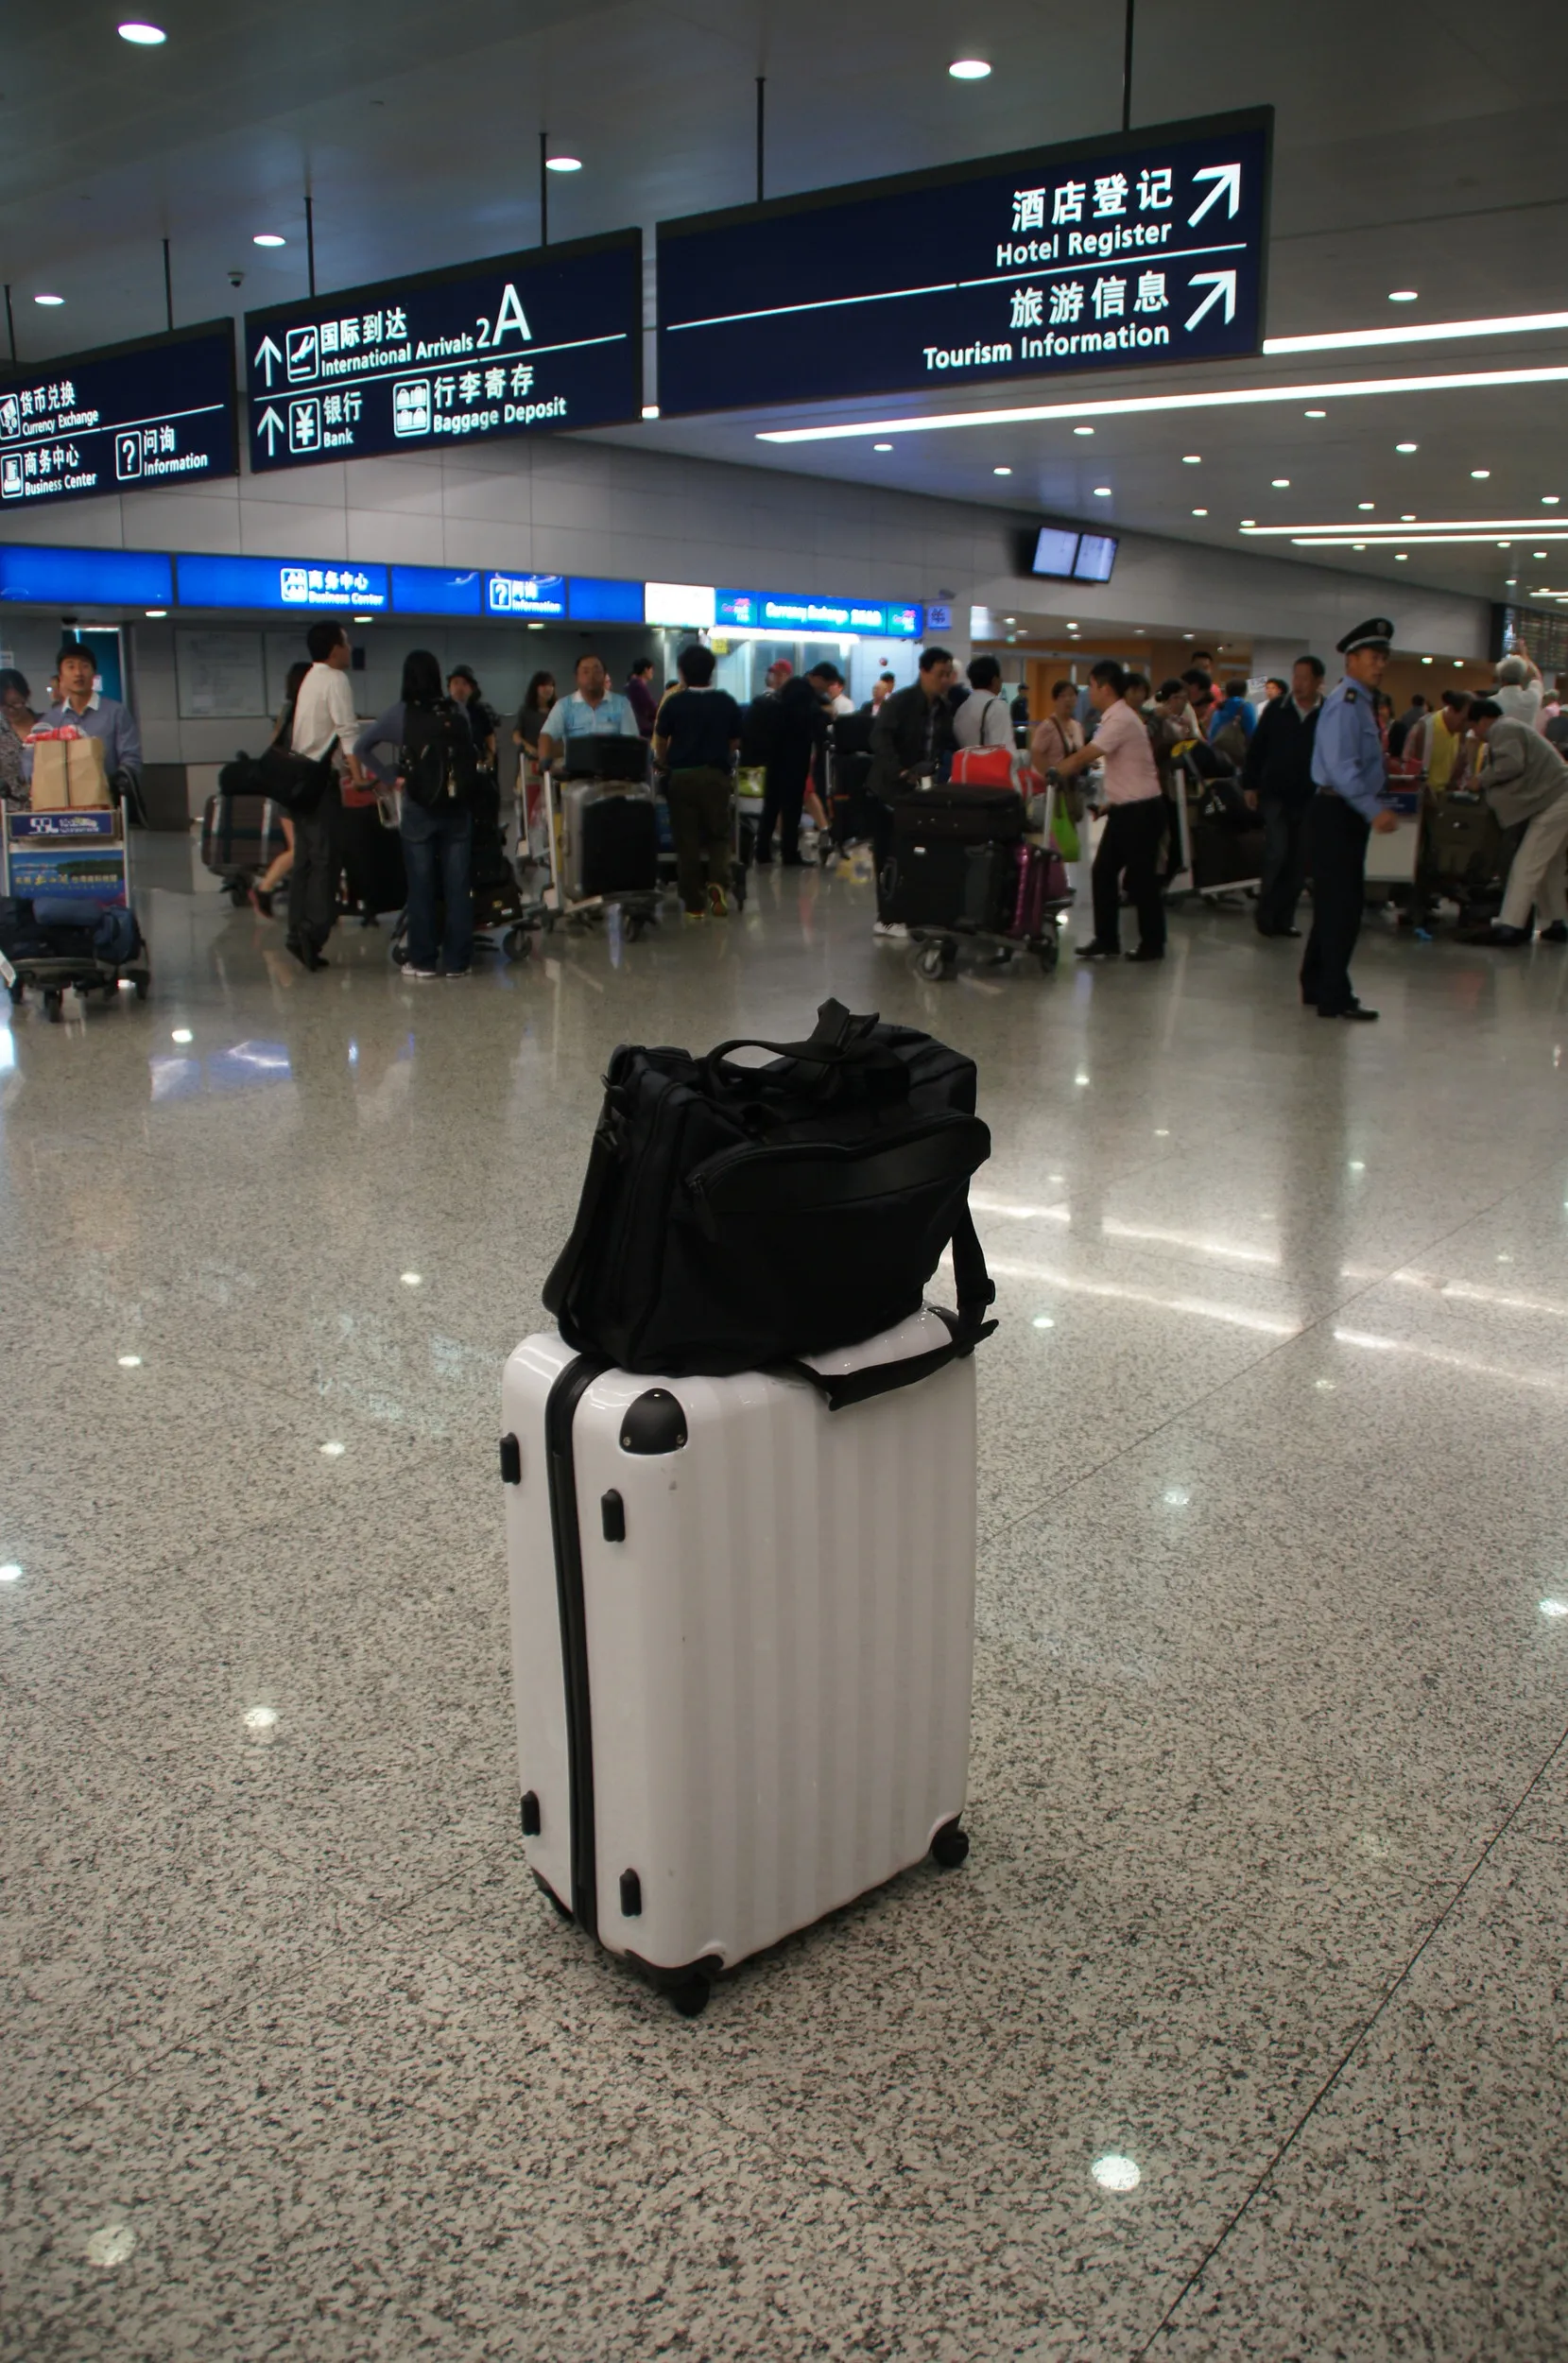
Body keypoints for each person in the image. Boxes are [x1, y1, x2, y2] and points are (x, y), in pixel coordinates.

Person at [1300, 618, 1402, 1022]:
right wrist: (1375, 811)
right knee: (1342, 908)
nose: (1380, 666)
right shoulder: (1347, 705)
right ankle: (1334, 996)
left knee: (1332, 905)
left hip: (1341, 812)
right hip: (1337, 812)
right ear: (1351, 660)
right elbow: (1343, 770)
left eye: (1384, 659)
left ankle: (1315, 981)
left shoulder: (1361, 702)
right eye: (1373, 658)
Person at [355, 649, 475, 978]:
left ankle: (423, 960)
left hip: (419, 806)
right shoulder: (458, 710)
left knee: (421, 886)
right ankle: (458, 962)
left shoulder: (401, 714)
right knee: (458, 886)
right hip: (457, 807)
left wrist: (391, 776)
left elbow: (361, 747)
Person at [1050, 660, 1167, 963]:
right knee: (1103, 873)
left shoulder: (1121, 720)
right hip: (1126, 809)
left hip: (1140, 812)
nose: (1089, 693)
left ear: (1104, 687)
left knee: (1141, 880)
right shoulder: (1117, 717)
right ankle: (1107, 940)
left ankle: (1153, 944)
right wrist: (1108, 804)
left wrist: (1056, 771)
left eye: (1091, 686)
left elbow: (1088, 754)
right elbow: (1126, 769)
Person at [286, 619, 364, 973]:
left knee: (304, 859)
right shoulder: (335, 678)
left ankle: (296, 929)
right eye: (346, 643)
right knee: (325, 860)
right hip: (319, 785)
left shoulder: (309, 678)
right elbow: (347, 733)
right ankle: (313, 932)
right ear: (334, 649)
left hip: (297, 780)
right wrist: (358, 777)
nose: (349, 649)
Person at [1457, 701, 1568, 946]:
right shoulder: (1512, 728)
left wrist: (1480, 780)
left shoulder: (1502, 729)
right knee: (1550, 868)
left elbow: (1511, 764)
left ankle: (1510, 925)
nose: (1475, 733)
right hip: (1560, 796)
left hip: (1557, 800)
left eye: (1474, 727)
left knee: (1525, 865)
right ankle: (1556, 923)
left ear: (1484, 720)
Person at [867, 646, 956, 939]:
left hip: (918, 792)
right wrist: (900, 772)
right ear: (924, 671)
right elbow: (880, 740)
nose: (945, 680)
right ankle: (887, 917)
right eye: (940, 674)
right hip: (888, 790)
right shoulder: (901, 702)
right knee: (888, 855)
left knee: (912, 854)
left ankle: (910, 912)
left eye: (948, 675)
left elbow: (942, 745)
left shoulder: (943, 709)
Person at [651, 643, 741, 922]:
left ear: (683, 673)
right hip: (716, 775)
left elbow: (661, 740)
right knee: (718, 836)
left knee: (686, 840)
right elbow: (735, 740)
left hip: (682, 777)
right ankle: (717, 883)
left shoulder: (675, 702)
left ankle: (693, 903)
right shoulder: (726, 702)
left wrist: (664, 762)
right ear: (712, 672)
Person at [1244, 655, 1324, 939]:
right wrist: (1250, 785)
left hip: (1309, 797)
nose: (1298, 684)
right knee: (1277, 852)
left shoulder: (1326, 712)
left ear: (1318, 682)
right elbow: (1258, 747)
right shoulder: (1278, 708)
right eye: (1296, 677)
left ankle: (1285, 918)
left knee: (1298, 859)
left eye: (1305, 678)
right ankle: (1266, 915)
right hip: (1275, 793)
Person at [33, 641, 143, 813]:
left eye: (85, 667)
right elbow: (33, 759)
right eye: (71, 667)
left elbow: (131, 756)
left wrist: (120, 781)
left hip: (107, 805)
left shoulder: (116, 712)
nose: (78, 673)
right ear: (60, 677)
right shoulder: (51, 720)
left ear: (94, 675)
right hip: (60, 809)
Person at [250, 659, 311, 916]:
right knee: (300, 848)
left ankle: (272, 890)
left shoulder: (287, 711)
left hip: (285, 786)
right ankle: (264, 888)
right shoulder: (304, 711)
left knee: (302, 847)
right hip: (297, 788)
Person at [756, 662, 835, 867]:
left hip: (777, 756)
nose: (825, 690)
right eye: (825, 685)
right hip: (792, 758)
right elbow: (809, 719)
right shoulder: (801, 691)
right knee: (791, 807)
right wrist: (826, 716)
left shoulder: (794, 688)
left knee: (772, 805)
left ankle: (763, 851)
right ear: (818, 678)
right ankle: (789, 853)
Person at [538, 652, 639, 771]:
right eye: (585, 672)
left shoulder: (621, 704)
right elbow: (546, 735)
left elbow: (631, 741)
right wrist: (544, 759)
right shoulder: (564, 706)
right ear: (576, 677)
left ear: (605, 675)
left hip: (614, 774)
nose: (591, 676)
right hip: (577, 776)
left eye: (597, 671)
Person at [1405, 689, 1473, 795]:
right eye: (1464, 720)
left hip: (1446, 795)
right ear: (1450, 709)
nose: (1467, 726)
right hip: (1424, 796)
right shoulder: (1425, 728)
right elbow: (1409, 768)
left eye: (1470, 721)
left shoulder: (1461, 733)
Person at [953, 655, 1015, 751]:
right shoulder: (997, 707)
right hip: (990, 765)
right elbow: (1006, 750)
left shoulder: (962, 708)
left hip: (967, 764)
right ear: (995, 680)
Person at [1030, 679, 1084, 776]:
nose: (1067, 700)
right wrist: (1049, 778)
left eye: (1071, 696)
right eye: (1062, 696)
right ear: (1055, 700)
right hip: (1053, 785)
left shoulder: (1078, 726)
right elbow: (1036, 756)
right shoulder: (1047, 727)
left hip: (1074, 785)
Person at [447, 666, 497, 770]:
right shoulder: (444, 709)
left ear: (471, 689)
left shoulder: (479, 711)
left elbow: (489, 735)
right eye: (455, 683)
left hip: (475, 763)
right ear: (449, 687)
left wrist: (490, 755)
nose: (459, 688)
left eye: (464, 684)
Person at [0, 666, 34, 806]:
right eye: (3, 704)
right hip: (7, 815)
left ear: (27, 696)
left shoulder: (47, 727)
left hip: (47, 812)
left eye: (16, 703)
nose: (10, 710)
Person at [1209, 679, 1256, 766]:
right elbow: (1252, 734)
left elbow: (1212, 733)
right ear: (1244, 692)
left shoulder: (1219, 708)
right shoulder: (1246, 707)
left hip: (1216, 756)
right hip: (1237, 757)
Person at [1490, 654, 1544, 730]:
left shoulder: (1491, 703)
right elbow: (1537, 677)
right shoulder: (1532, 697)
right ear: (1521, 678)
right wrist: (1525, 655)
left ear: (1501, 679)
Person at [625, 657, 660, 738]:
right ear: (645, 670)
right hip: (641, 728)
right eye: (651, 669)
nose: (652, 672)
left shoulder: (634, 685)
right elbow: (649, 705)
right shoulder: (638, 686)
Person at [1387, 692, 1427, 758]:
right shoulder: (1426, 717)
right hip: (1419, 751)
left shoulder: (1405, 715)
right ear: (1423, 703)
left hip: (1404, 748)